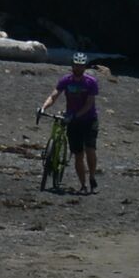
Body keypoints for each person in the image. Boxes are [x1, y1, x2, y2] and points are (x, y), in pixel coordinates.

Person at [39, 58, 104, 194]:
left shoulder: (90, 82)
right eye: (76, 66)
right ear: (72, 66)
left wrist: (75, 115)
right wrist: (43, 107)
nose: (78, 68)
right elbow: (54, 95)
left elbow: (89, 104)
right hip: (72, 121)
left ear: (85, 67)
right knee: (78, 154)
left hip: (89, 120)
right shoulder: (66, 80)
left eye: (81, 66)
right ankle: (83, 184)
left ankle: (91, 176)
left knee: (90, 149)